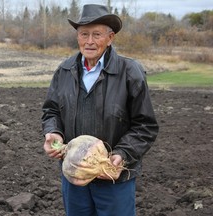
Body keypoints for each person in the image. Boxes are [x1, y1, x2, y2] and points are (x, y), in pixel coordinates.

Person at [41, 4, 159, 216]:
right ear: (77, 36)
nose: (89, 41)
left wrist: (122, 154)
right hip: (75, 175)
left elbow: (145, 125)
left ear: (110, 37)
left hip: (113, 178)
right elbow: (51, 111)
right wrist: (54, 132)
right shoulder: (65, 70)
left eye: (96, 34)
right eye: (84, 34)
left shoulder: (129, 72)